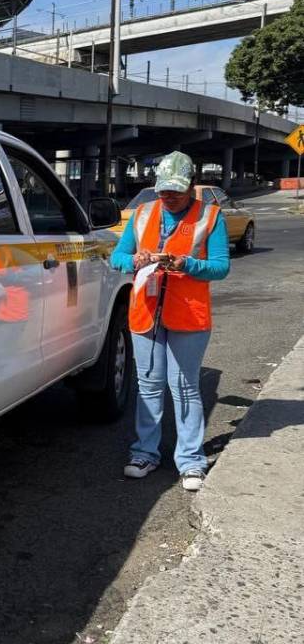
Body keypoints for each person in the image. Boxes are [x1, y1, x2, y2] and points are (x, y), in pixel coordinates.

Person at [111, 151, 230, 491]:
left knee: (184, 387)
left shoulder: (210, 216)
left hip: (188, 313)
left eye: (176, 190)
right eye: (164, 190)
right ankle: (144, 453)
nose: (169, 196)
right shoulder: (143, 214)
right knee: (148, 385)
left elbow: (221, 267)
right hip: (145, 312)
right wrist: (135, 259)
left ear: (192, 186)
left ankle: (190, 461)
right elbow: (117, 258)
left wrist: (185, 264)